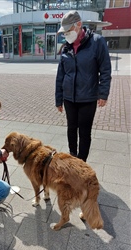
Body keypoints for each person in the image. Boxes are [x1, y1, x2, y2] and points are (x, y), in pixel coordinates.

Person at [55, 10, 111, 162]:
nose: (66, 34)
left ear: (79, 25)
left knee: (84, 132)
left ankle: (81, 163)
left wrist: (103, 93)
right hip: (69, 97)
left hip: (88, 97)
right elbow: (61, 74)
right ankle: (73, 157)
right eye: (64, 32)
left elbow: (105, 70)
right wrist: (58, 99)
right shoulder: (66, 47)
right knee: (71, 129)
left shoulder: (97, 42)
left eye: (68, 30)